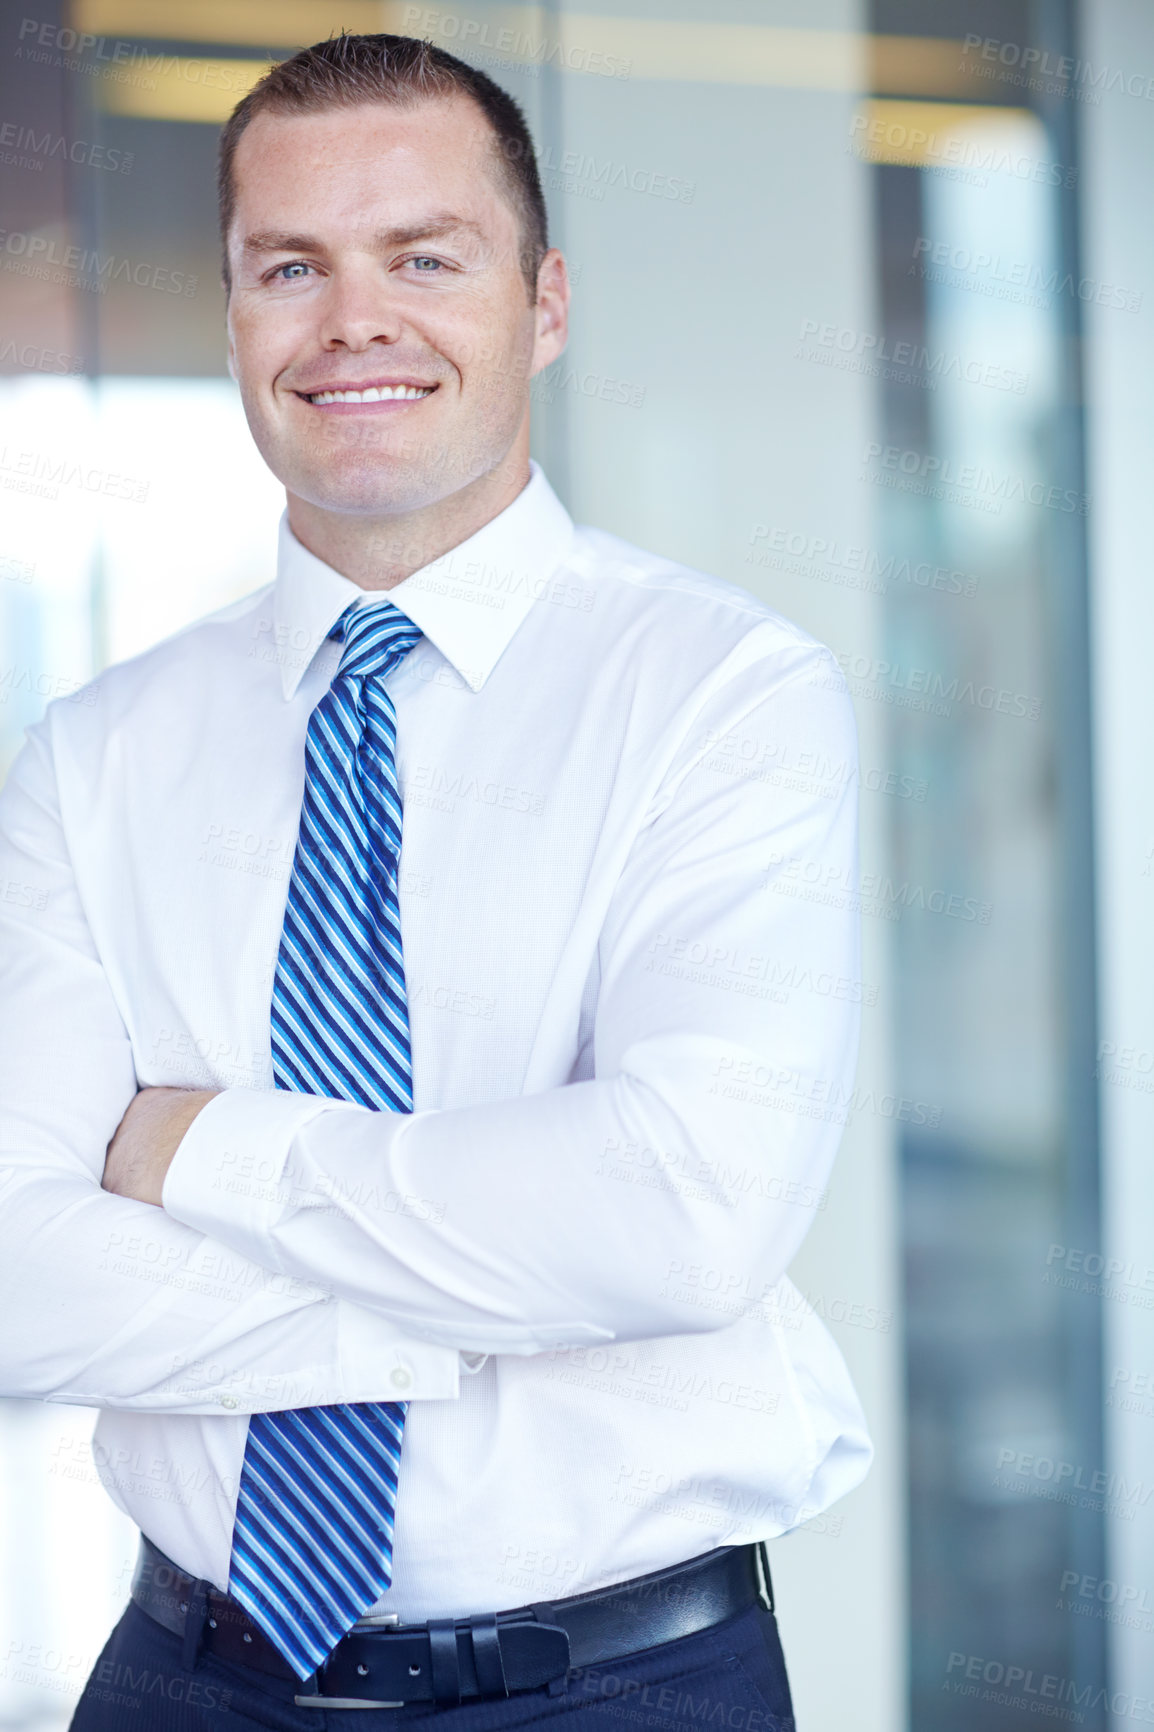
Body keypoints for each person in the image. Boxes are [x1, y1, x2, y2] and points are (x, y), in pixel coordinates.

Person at [0, 31, 871, 1731]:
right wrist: (484, 1318)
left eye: (423, 257)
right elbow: (16, 1280)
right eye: (290, 267)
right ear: (235, 307)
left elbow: (687, 1217)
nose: (353, 324)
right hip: (188, 1683)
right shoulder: (90, 758)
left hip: (617, 1690)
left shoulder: (727, 695)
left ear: (542, 303)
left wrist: (202, 1149)